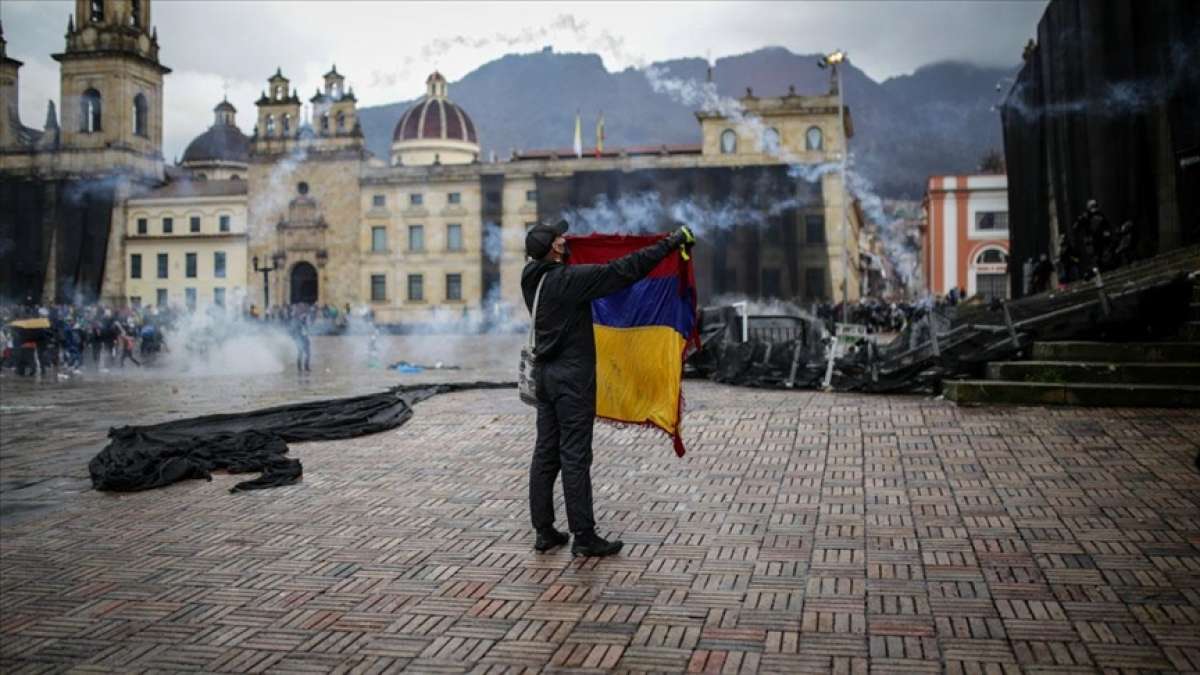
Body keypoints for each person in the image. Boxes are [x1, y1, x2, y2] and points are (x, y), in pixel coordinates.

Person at [521, 219, 695, 557]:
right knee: (575, 456)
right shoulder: (567, 281)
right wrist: (670, 242)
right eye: (560, 236)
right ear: (555, 248)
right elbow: (623, 270)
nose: (566, 238)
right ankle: (584, 536)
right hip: (572, 380)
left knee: (545, 453)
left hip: (545, 376)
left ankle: (544, 531)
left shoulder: (531, 277)